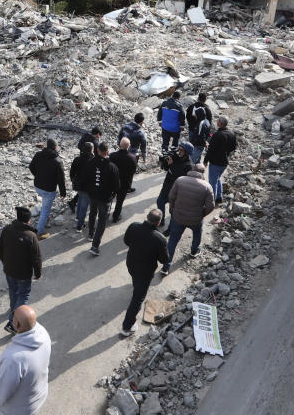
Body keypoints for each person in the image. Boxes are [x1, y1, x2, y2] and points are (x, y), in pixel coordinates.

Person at [0, 305, 51, 415]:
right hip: (39, 393)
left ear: (17, 325)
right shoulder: (43, 333)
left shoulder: (14, 359)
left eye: (13, 317)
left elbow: (1, 392)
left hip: (21, 409)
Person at [121, 209, 169, 337]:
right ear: (158, 223)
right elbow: (164, 259)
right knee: (137, 299)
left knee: (136, 281)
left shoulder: (133, 226)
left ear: (147, 217)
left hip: (131, 263)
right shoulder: (160, 239)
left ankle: (136, 287)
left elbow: (126, 241)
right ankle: (127, 327)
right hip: (145, 271)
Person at [0, 207, 42, 334]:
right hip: (23, 274)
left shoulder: (7, 229)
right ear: (28, 220)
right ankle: (12, 322)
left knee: (13, 291)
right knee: (23, 295)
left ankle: (13, 310)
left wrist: (4, 261)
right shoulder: (31, 236)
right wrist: (38, 273)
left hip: (9, 270)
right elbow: (36, 258)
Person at [162, 164, 214, 274]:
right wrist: (201, 214)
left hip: (178, 217)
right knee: (197, 233)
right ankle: (194, 251)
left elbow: (171, 197)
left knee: (172, 241)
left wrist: (173, 209)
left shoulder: (180, 180)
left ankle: (166, 267)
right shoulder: (207, 186)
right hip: (195, 219)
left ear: (192, 170)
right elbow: (210, 206)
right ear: (203, 173)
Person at [82, 142, 120, 256]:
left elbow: (85, 179)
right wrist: (113, 194)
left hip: (93, 195)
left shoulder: (90, 163)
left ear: (97, 151)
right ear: (107, 152)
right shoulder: (112, 167)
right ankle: (95, 246)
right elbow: (117, 186)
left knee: (92, 213)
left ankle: (90, 233)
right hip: (105, 199)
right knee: (102, 221)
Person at [28, 139, 66, 239]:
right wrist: (63, 193)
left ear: (46, 146)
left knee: (45, 203)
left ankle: (45, 220)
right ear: (55, 147)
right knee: (45, 210)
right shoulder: (58, 161)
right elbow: (61, 180)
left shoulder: (38, 155)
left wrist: (38, 176)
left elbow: (31, 167)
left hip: (37, 186)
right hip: (49, 189)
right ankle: (39, 232)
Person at [154, 142, 194, 236]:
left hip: (176, 191)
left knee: (172, 212)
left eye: (181, 150)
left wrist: (171, 165)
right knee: (160, 201)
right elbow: (166, 168)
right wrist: (166, 162)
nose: (178, 151)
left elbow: (178, 176)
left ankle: (170, 229)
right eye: (178, 149)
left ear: (187, 152)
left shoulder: (189, 165)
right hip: (167, 186)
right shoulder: (176, 157)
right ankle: (161, 220)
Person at [203, 116, 237, 205]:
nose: (216, 122)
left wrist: (205, 161)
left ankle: (211, 201)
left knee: (212, 182)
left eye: (217, 121)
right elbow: (233, 147)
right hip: (225, 162)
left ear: (220, 124)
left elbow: (211, 149)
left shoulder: (218, 135)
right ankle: (219, 197)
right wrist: (226, 152)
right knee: (217, 179)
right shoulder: (232, 133)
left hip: (215, 162)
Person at [109, 137, 138, 224]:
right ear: (129, 146)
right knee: (119, 202)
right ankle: (115, 216)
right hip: (124, 184)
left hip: (112, 183)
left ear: (119, 144)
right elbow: (133, 171)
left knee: (109, 198)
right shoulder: (133, 158)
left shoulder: (112, 156)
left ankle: (105, 213)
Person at [70, 142, 95, 231]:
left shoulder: (77, 159)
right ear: (91, 150)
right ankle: (79, 226)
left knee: (80, 199)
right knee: (84, 206)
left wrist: (73, 180)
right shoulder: (93, 160)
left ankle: (77, 217)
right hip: (87, 187)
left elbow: (72, 173)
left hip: (78, 185)